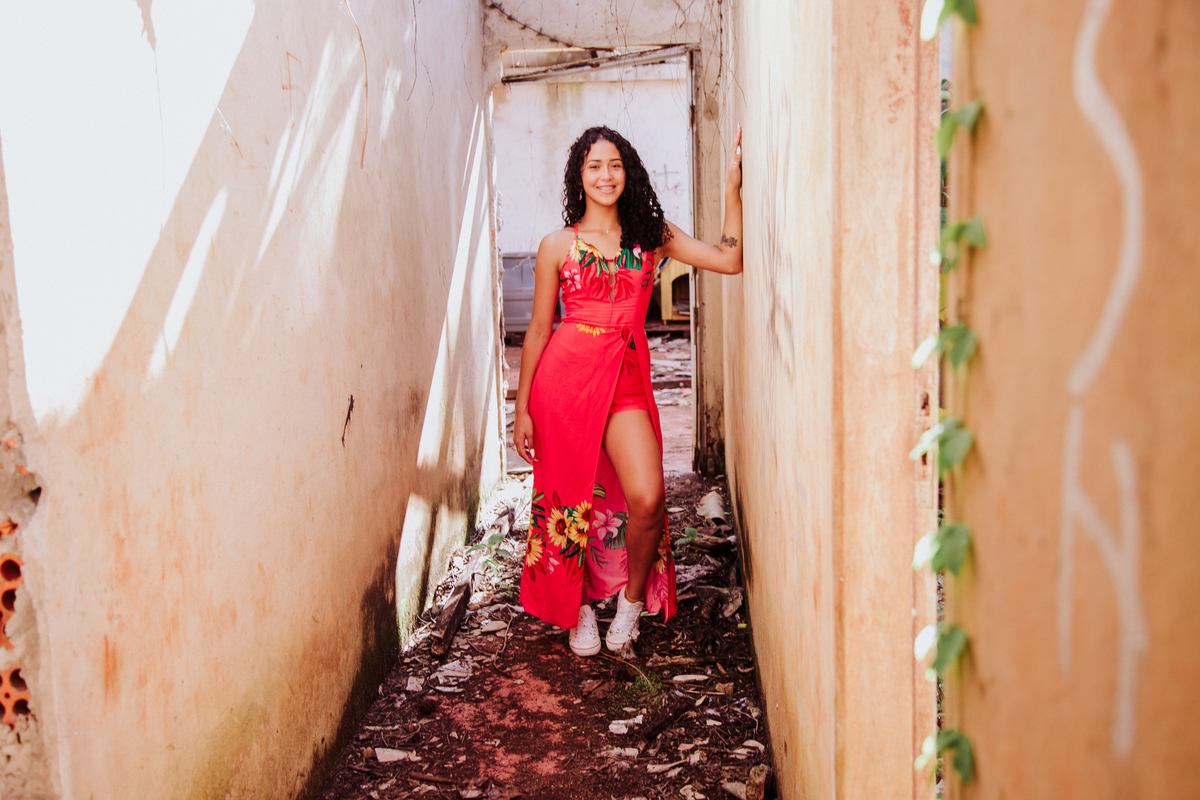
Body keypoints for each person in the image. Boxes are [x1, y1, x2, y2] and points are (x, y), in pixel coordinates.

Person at [513, 125, 744, 657]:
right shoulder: (557, 245)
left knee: (647, 498)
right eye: (594, 166)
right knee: (567, 502)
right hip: (563, 386)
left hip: (624, 381)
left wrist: (732, 188)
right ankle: (577, 609)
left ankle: (632, 602)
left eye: (614, 164)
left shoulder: (650, 234)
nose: (605, 175)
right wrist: (522, 408)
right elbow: (540, 330)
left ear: (628, 171)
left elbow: (728, 259)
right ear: (579, 175)